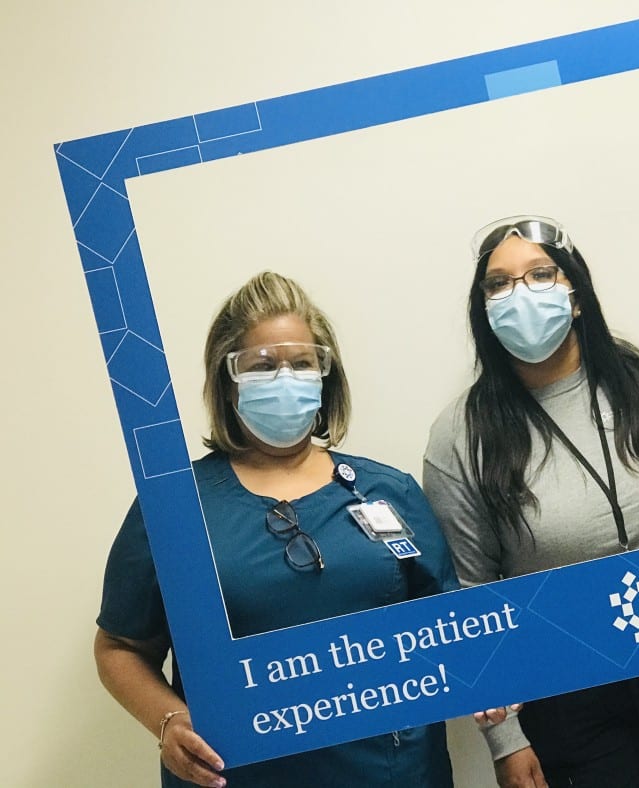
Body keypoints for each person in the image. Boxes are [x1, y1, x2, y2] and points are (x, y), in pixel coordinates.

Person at [423, 216, 639, 788]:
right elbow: (471, 594)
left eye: (540, 274)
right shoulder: (461, 434)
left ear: (576, 295)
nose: (520, 294)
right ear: (482, 308)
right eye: (498, 284)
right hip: (572, 696)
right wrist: (505, 740)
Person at [94, 272, 459, 788]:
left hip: (391, 771)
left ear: (325, 375)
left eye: (303, 362)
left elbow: (456, 627)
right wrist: (170, 720)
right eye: (263, 366)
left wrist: (487, 683)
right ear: (229, 380)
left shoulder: (387, 491)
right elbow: (119, 646)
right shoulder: (175, 506)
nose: (286, 377)